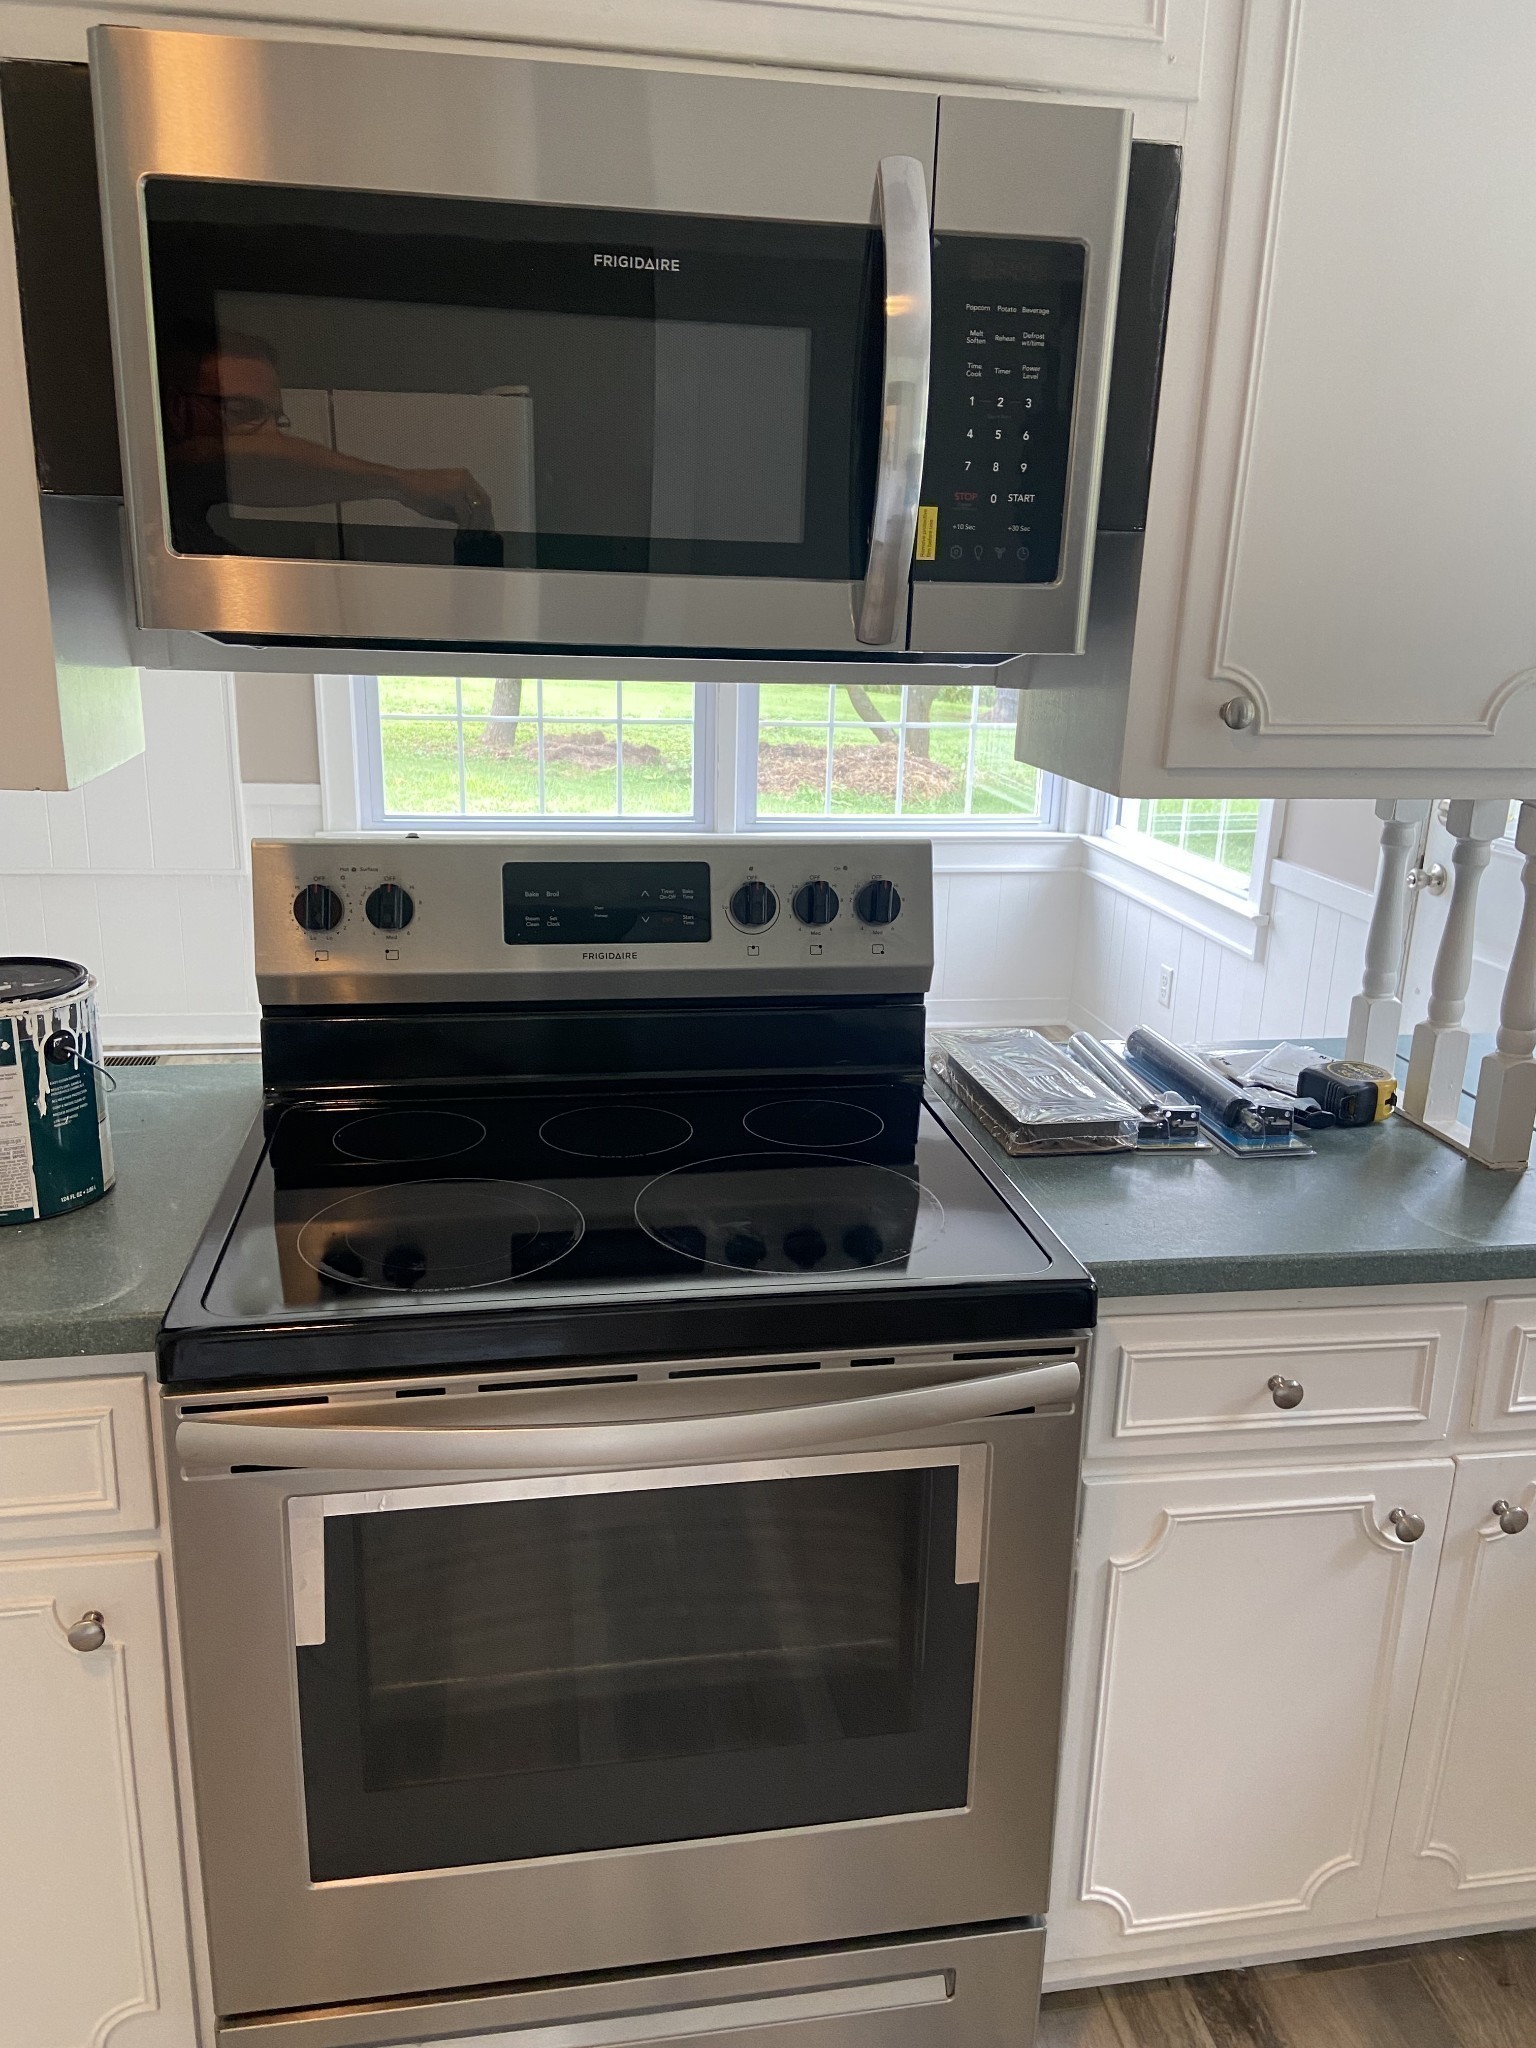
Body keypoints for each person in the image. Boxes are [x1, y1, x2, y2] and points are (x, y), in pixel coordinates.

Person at [159, 323, 494, 552]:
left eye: (276, 420)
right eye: (243, 411)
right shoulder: (159, 484)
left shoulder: (200, 545)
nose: (271, 437)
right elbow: (240, 459)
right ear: (179, 410)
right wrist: (401, 482)